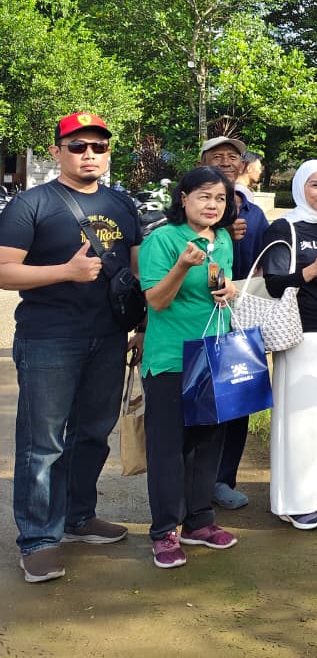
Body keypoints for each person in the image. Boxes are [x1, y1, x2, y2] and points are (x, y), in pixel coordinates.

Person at [0, 112, 142, 583]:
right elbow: (3, 271)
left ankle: (79, 517)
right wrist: (65, 271)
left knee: (93, 433)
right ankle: (39, 539)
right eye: (78, 146)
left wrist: (141, 325)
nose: (89, 155)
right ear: (58, 149)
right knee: (44, 444)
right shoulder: (30, 204)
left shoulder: (123, 205)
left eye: (98, 147)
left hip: (107, 339)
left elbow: (136, 275)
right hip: (49, 338)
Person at [138, 166, 241, 568]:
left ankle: (199, 521)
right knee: (168, 447)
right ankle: (165, 530)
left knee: (207, 441)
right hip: (170, 358)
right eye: (204, 196)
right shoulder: (162, 240)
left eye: (219, 198)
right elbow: (157, 301)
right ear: (183, 198)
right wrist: (182, 265)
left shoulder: (224, 240)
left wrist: (228, 290)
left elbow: (224, 285)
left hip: (214, 353)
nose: (212, 205)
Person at [261, 161, 317, 530]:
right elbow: (272, 282)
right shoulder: (285, 227)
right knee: (300, 419)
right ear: (302, 187)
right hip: (300, 333)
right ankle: (296, 500)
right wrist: (309, 273)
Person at [198, 136, 268, 511]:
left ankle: (224, 480)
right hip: (199, 319)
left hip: (241, 318)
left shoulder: (253, 212)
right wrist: (224, 233)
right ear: (202, 161)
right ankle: (192, 484)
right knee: (199, 402)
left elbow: (262, 263)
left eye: (233, 156)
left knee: (238, 399)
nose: (226, 161)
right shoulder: (191, 205)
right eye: (216, 156)